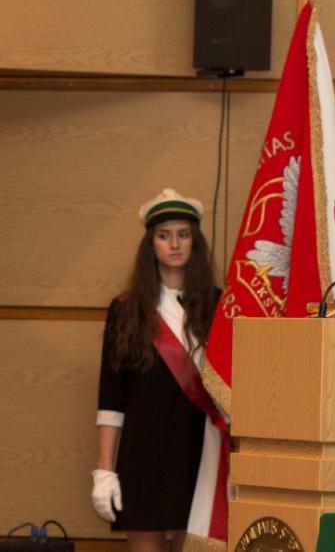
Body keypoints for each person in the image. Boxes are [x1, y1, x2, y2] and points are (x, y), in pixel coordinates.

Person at [93, 189, 223, 552]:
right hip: (143, 446)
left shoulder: (217, 304)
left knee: (194, 543)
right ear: (150, 243)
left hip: (200, 445)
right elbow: (111, 397)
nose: (175, 244)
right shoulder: (126, 309)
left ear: (195, 242)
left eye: (183, 234)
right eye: (164, 235)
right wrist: (104, 469)